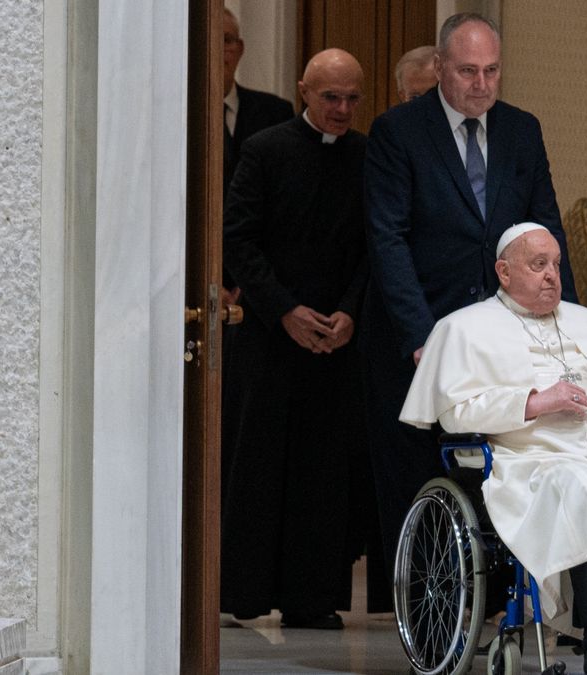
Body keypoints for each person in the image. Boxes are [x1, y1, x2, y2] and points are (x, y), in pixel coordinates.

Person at [400, 224, 587, 675]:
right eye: (538, 264)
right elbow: (456, 413)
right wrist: (536, 402)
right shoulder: (463, 327)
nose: (551, 275)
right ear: (504, 272)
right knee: (581, 485)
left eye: (556, 265)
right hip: (529, 462)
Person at [361, 12, 578, 582]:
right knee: (417, 479)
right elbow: (388, 240)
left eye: (492, 70)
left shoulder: (521, 130)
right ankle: (427, 609)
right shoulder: (398, 131)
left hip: (502, 336)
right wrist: (421, 337)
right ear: (439, 67)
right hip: (420, 330)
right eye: (467, 71)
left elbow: (546, 231)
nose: (481, 84)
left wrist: (567, 329)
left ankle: (498, 602)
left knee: (500, 474)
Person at [221, 48, 371, 630]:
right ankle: (248, 592)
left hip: (336, 341)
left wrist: (349, 312)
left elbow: (373, 247)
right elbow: (239, 240)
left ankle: (313, 598)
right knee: (261, 466)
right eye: (331, 97)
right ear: (304, 90)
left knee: (324, 476)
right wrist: (284, 310)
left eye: (353, 99)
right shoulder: (265, 149)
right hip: (271, 337)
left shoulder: (366, 156)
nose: (342, 110)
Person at [219, 7, 293, 305]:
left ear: (240, 49)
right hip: (192, 277)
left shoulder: (276, 113)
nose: (219, 50)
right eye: (211, 40)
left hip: (261, 282)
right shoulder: (175, 112)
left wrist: (251, 283)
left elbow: (283, 206)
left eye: (227, 40)